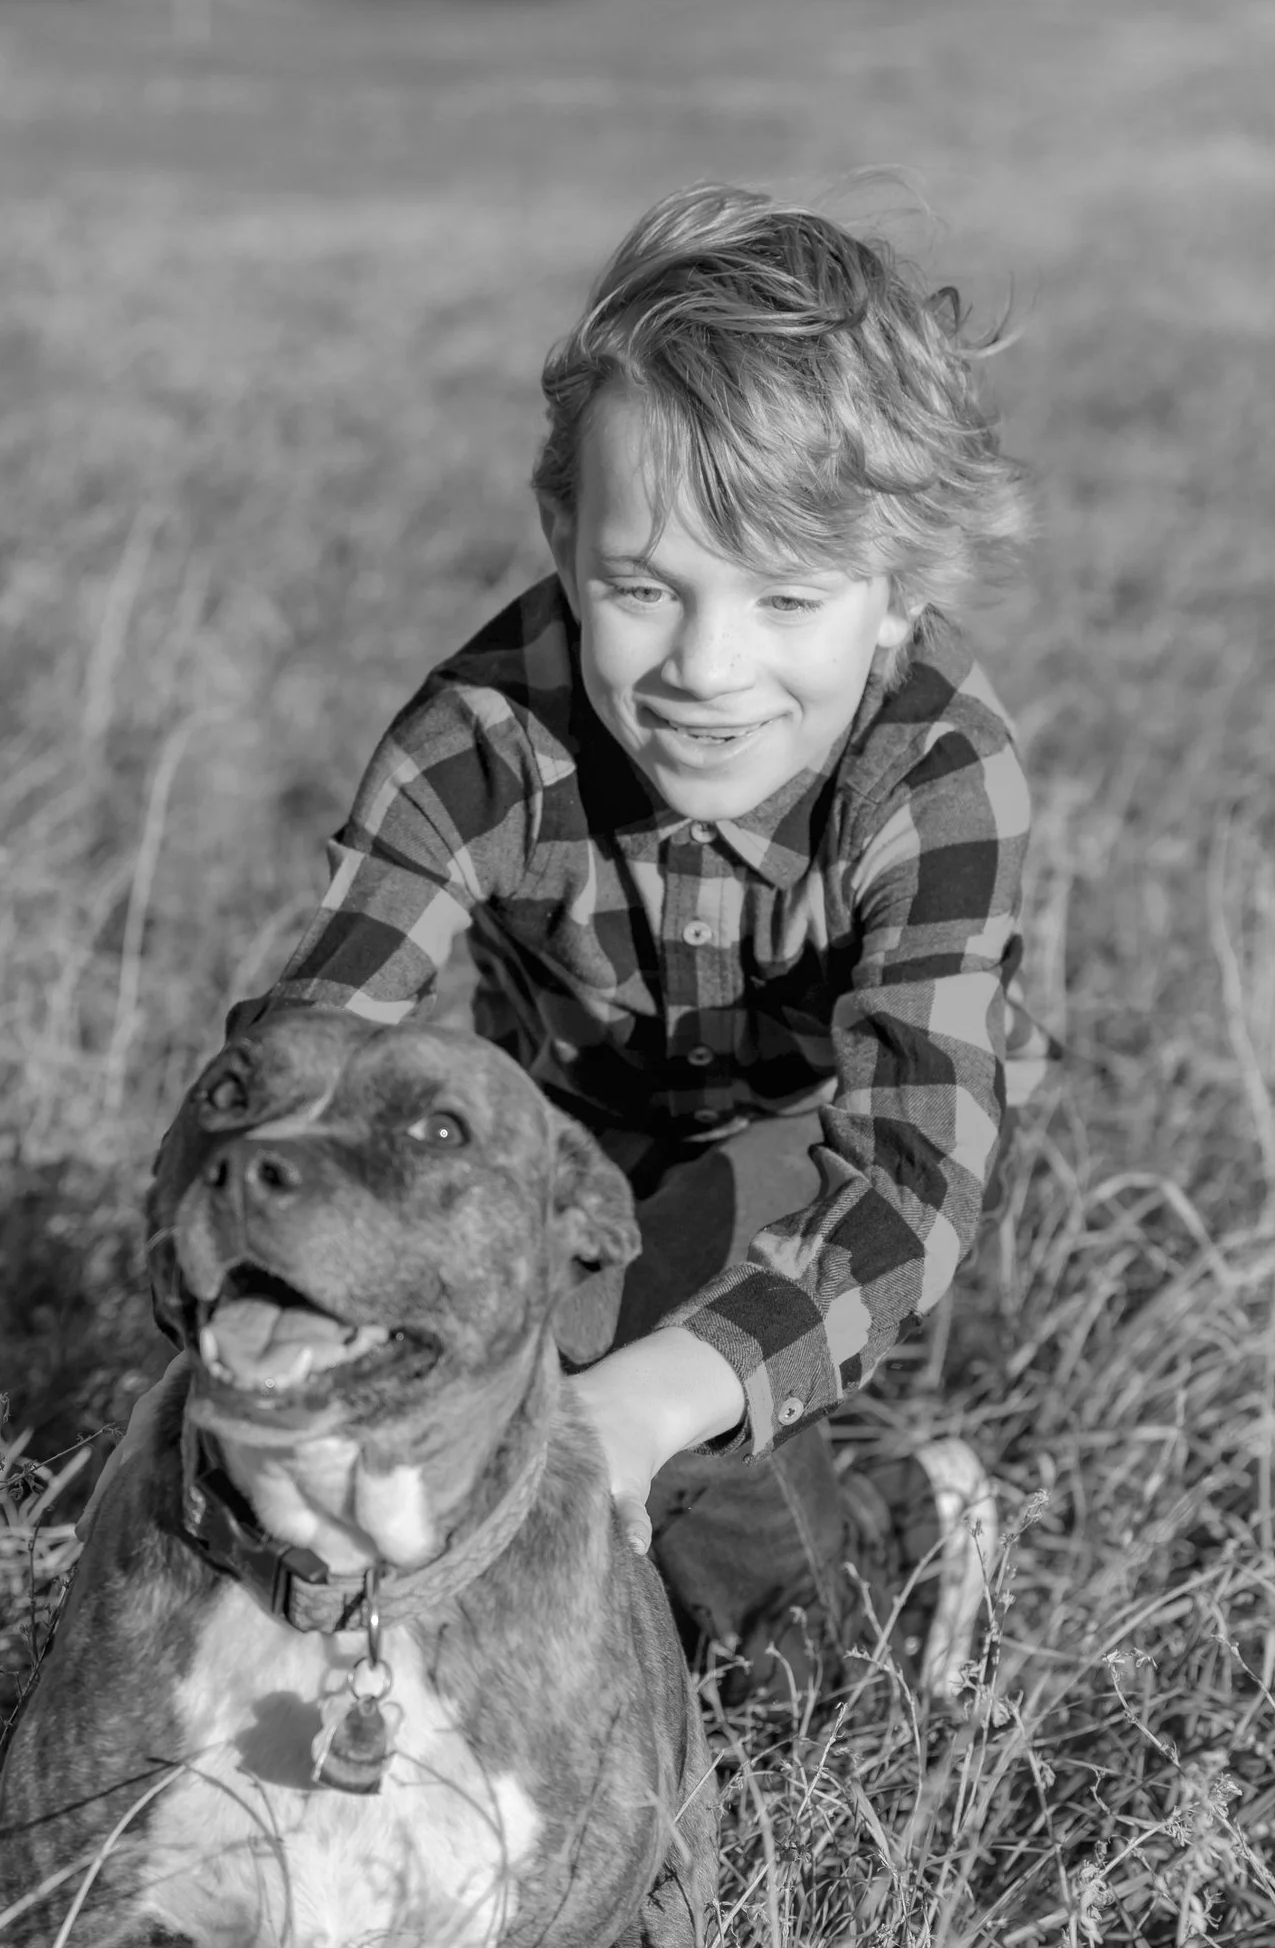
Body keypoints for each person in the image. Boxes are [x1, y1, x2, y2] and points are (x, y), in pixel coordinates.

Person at [227, 184, 1049, 1678]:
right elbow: (321, 1042)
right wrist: (277, 1284)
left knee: (645, 1333)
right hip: (577, 1113)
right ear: (563, 535)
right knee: (497, 1332)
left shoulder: (935, 772)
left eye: (787, 597)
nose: (707, 668)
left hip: (824, 1124)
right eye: (642, 588)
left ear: (898, 596)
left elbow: (913, 1179)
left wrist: (649, 1403)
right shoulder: (482, 737)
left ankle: (853, 1600)